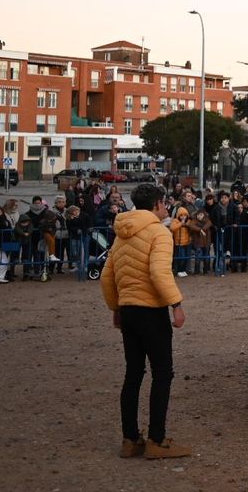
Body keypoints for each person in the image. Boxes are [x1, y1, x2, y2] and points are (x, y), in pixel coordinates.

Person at [99, 183, 192, 460]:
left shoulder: (121, 234)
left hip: (128, 309)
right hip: (151, 310)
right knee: (162, 373)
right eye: (163, 204)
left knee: (133, 374)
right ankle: (157, 439)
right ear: (157, 204)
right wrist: (176, 304)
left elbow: (107, 275)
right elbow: (158, 272)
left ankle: (130, 439)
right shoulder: (158, 232)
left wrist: (116, 306)